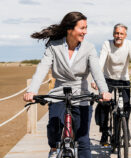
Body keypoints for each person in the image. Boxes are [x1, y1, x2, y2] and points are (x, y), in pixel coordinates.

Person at [23, 12, 111, 158]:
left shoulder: (89, 48)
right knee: (54, 130)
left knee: (83, 141)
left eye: (86, 28)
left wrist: (104, 91)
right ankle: (53, 149)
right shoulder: (54, 46)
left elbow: (97, 72)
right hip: (59, 92)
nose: (85, 32)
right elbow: (42, 69)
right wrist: (32, 91)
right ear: (70, 29)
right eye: (82, 28)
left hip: (81, 94)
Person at [92, 23, 131, 145]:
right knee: (104, 104)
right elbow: (100, 62)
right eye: (117, 33)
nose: (119, 36)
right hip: (108, 79)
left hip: (123, 80)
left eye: (121, 33)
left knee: (126, 107)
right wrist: (95, 80)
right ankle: (105, 131)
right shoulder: (107, 44)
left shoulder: (129, 44)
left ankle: (125, 131)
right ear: (113, 34)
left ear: (125, 35)